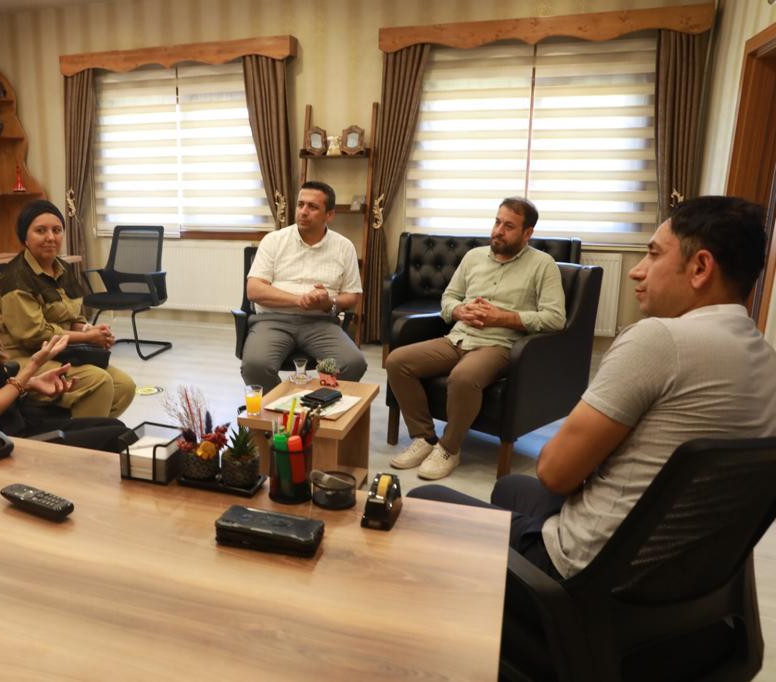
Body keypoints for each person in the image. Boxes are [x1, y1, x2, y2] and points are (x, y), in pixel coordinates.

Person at [409, 195, 776, 580]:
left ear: (700, 268)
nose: (637, 271)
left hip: (585, 571)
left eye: (653, 254)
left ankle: (503, 599)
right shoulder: (766, 361)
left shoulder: (656, 340)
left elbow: (555, 472)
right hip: (685, 576)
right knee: (512, 488)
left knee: (422, 502)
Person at [0, 209, 130, 452]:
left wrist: (32, 383)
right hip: (0, 441)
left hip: (15, 422)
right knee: (118, 436)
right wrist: (29, 371)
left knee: (115, 426)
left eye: (56, 230)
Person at [385, 197, 565, 480]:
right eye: (497, 222)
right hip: (458, 337)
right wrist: (460, 310)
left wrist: (503, 318)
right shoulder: (473, 257)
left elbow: (555, 318)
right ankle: (424, 438)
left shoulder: (543, 265)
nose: (498, 231)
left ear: (527, 233)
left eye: (508, 226)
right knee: (397, 361)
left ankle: (449, 448)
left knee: (464, 377)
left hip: (499, 346)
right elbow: (449, 297)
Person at [0, 199, 135, 420]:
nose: (51, 237)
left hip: (62, 353)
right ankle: (83, 439)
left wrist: (91, 330)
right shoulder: (14, 279)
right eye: (41, 230)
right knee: (98, 382)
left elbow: (73, 316)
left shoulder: (63, 269)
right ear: (25, 238)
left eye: (57, 230)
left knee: (125, 387)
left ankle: (88, 431)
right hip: (25, 359)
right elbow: (34, 335)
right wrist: (87, 337)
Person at [240, 181, 367, 393]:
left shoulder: (344, 247)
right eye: (300, 205)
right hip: (272, 321)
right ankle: (282, 407)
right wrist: (299, 300)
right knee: (255, 367)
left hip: (321, 322)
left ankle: (318, 405)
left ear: (329, 215)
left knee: (353, 363)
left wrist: (329, 302)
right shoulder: (274, 240)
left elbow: (352, 296)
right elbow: (254, 290)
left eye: (313, 207)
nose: (303, 212)